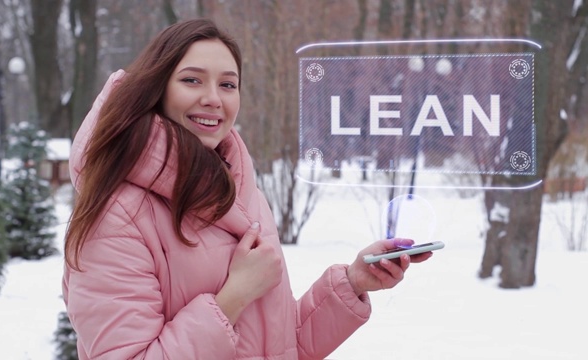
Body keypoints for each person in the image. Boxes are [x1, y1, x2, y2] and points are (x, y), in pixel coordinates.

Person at [62, 18, 433, 360]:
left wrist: (353, 282)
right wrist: (233, 297)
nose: (213, 98)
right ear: (155, 89)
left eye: (228, 84)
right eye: (192, 80)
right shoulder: (116, 218)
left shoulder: (239, 194)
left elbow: (280, 346)